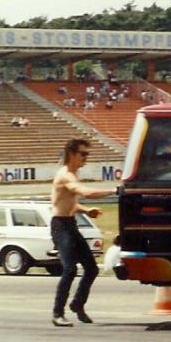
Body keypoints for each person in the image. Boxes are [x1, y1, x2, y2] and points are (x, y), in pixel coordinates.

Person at [50, 139, 117, 326]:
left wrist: (86, 211)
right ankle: (57, 313)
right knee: (70, 269)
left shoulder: (73, 174)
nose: (86, 158)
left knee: (92, 268)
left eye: (87, 154)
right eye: (83, 154)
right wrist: (114, 190)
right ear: (71, 154)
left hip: (70, 223)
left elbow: (67, 202)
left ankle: (77, 304)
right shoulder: (65, 176)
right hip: (60, 226)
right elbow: (85, 192)